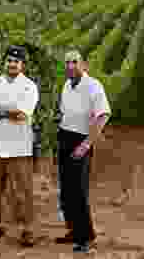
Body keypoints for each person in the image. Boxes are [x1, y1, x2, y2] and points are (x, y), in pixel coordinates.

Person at [0, 45, 39, 248]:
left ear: (22, 65)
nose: (12, 64)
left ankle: (27, 230)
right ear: (4, 62)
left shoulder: (29, 86)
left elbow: (22, 115)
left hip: (20, 147)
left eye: (16, 61)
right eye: (9, 61)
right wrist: (7, 112)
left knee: (22, 190)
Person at [56, 50, 111, 254]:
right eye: (67, 62)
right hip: (65, 138)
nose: (70, 66)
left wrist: (86, 144)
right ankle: (73, 230)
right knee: (66, 190)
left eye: (74, 62)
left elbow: (103, 116)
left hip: (81, 140)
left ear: (84, 65)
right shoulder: (66, 85)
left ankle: (86, 236)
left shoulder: (93, 86)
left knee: (79, 191)